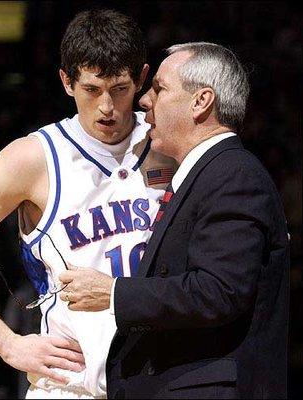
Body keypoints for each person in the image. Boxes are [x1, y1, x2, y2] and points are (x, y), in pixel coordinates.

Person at [0, 9, 177, 399]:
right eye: (92, 89)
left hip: (162, 380)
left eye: (120, 89)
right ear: (67, 82)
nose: (107, 106)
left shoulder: (170, 145)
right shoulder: (33, 159)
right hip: (73, 386)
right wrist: (8, 344)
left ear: (141, 77)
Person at [59, 42, 290, 399]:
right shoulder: (207, 174)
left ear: (201, 102)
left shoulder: (233, 175)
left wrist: (114, 292)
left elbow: (218, 291)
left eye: (159, 88)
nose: (144, 101)